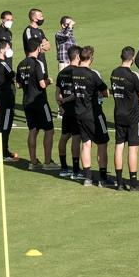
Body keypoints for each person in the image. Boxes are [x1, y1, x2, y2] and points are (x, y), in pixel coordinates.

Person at [71, 46, 113, 188]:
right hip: (94, 114)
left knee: (86, 144)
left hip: (79, 112)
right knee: (102, 143)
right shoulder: (92, 74)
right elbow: (105, 92)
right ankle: (102, 177)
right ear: (91, 58)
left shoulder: (74, 72)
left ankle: (87, 177)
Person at [109, 46, 139, 191]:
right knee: (133, 149)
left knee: (119, 146)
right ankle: (133, 182)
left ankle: (119, 182)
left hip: (118, 114)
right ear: (132, 58)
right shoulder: (134, 75)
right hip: (133, 116)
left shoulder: (114, 72)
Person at [16, 37, 56, 169]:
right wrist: (49, 80)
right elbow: (42, 84)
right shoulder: (37, 63)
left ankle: (33, 162)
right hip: (39, 101)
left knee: (33, 130)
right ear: (38, 48)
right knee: (49, 130)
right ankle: (48, 162)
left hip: (27, 101)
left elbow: (18, 85)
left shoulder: (20, 64)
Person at [0, 37, 19, 162]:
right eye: (7, 48)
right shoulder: (3, 64)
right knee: (5, 124)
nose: (9, 50)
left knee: (3, 123)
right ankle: (4, 153)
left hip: (0, 94)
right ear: (2, 50)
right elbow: (13, 75)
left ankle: (5, 150)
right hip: (6, 95)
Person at [56, 46, 82, 179]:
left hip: (65, 110)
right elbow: (76, 94)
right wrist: (65, 101)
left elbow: (57, 93)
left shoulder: (62, 72)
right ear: (77, 57)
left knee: (64, 137)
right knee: (76, 138)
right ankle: (76, 170)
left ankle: (64, 168)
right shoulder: (77, 72)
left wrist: (61, 104)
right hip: (75, 109)